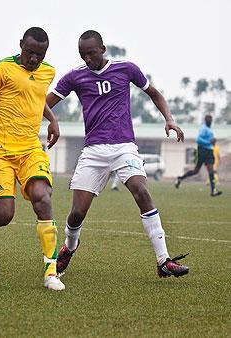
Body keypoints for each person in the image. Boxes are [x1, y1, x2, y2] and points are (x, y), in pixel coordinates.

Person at [46, 30, 189, 280]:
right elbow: (43, 103)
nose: (88, 59)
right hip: (93, 151)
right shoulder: (75, 77)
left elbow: (153, 93)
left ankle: (163, 260)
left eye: (91, 53)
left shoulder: (126, 69)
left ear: (102, 48)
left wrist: (169, 119)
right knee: (77, 212)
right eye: (83, 55)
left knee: (141, 191)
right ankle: (70, 246)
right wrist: (53, 121)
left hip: (124, 147)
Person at [0, 27, 64, 291]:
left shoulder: (48, 71)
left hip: (30, 149)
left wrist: (53, 119)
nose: (34, 59)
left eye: (40, 54)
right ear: (21, 44)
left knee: (42, 197)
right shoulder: (1, 69)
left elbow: (36, 97)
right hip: (0, 151)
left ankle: (51, 273)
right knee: (3, 217)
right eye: (30, 52)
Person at [175, 115, 222, 196]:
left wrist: (213, 142)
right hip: (202, 151)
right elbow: (198, 140)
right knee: (196, 171)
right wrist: (209, 142)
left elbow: (210, 140)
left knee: (211, 170)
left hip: (209, 151)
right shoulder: (203, 128)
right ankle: (180, 178)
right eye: (208, 120)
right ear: (205, 120)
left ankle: (213, 190)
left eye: (211, 120)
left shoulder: (209, 129)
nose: (210, 121)